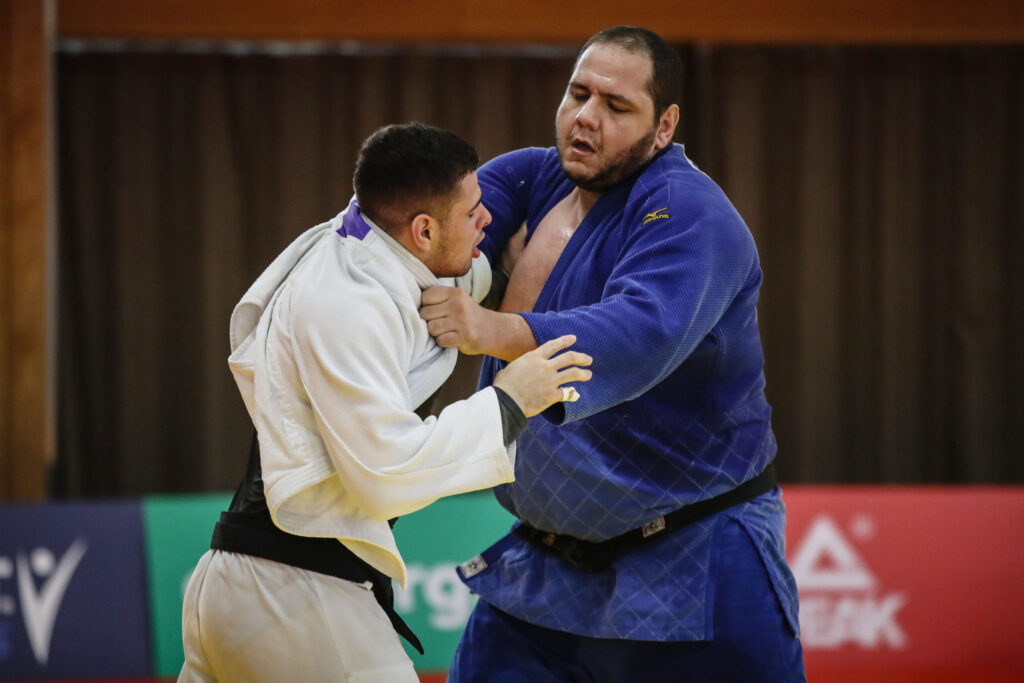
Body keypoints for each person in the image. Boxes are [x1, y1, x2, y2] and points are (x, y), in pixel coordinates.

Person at [419, 27, 806, 682]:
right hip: (546, 568)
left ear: (664, 126)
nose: (587, 118)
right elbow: (427, 224)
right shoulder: (537, 178)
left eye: (617, 106)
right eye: (578, 94)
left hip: (696, 556)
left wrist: (488, 328)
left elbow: (637, 333)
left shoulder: (689, 214)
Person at [178, 122, 593, 683]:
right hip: (294, 595)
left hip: (251, 588)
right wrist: (510, 403)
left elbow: (448, 282)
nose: (488, 220)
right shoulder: (344, 303)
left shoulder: (380, 251)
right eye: (474, 213)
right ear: (423, 229)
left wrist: (500, 276)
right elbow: (385, 471)